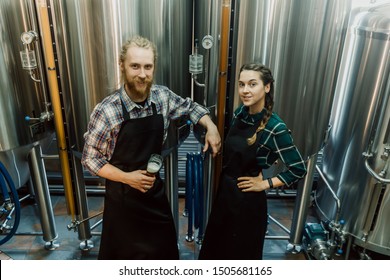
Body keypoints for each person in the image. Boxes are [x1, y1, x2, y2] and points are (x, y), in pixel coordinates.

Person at [81, 35, 221, 260]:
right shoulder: (107, 110)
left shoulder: (162, 96)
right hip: (122, 200)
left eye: (148, 66)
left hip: (153, 195)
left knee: (164, 255)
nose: (142, 74)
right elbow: (90, 158)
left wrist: (210, 125)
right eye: (135, 66)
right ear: (122, 66)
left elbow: (190, 107)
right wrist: (128, 178)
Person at [198, 63, 307, 260]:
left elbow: (298, 168)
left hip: (248, 203)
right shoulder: (241, 113)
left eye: (252, 84)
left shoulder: (276, 127)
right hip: (225, 195)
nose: (245, 90)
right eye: (241, 85)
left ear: (267, 87)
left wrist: (265, 184)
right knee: (216, 249)